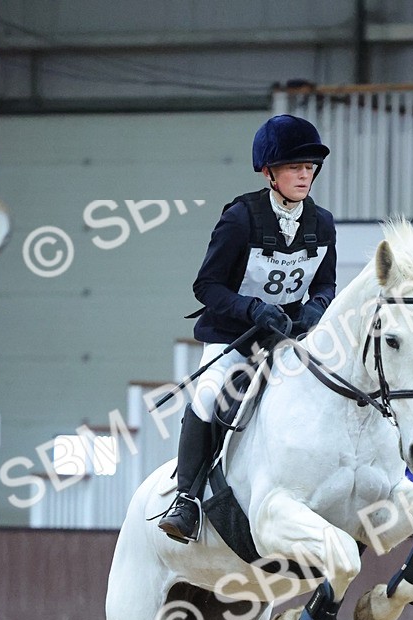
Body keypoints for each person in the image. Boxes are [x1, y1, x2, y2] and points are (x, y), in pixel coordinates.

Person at [159, 113, 338, 543]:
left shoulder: (322, 222)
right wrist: (252, 308)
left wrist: (317, 306)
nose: (305, 174)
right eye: (295, 166)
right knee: (205, 399)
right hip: (234, 339)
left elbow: (326, 281)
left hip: (288, 340)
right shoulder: (241, 218)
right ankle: (186, 500)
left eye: (310, 167)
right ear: (269, 172)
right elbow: (206, 286)